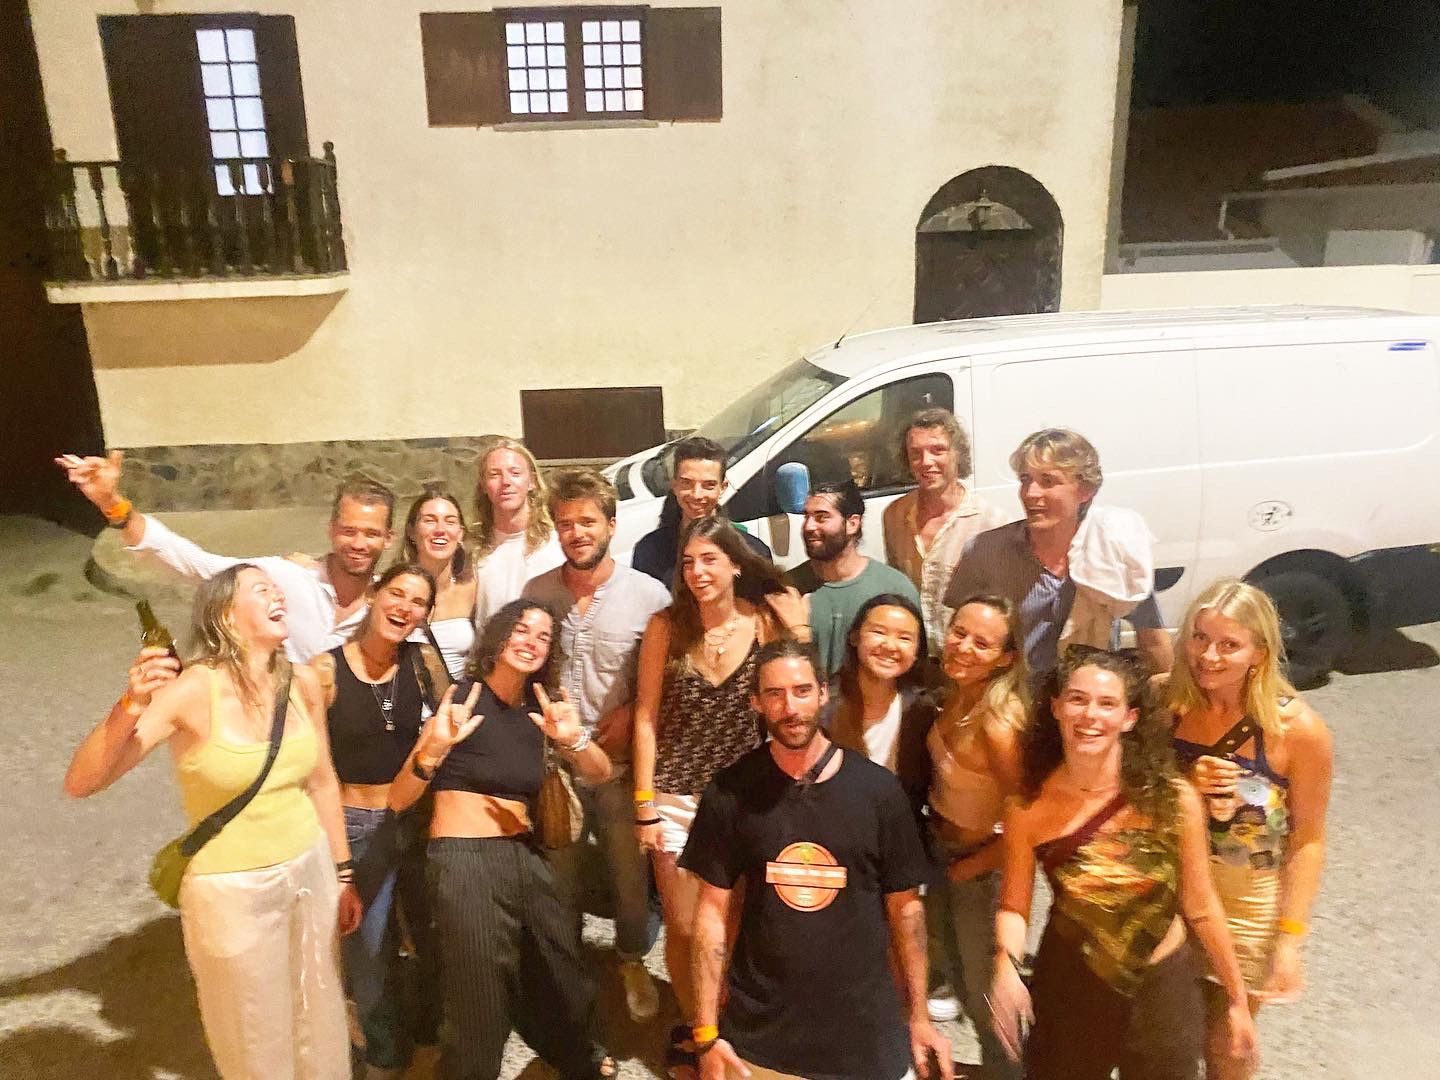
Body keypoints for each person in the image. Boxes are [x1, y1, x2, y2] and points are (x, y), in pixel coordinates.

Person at [64, 564, 362, 1079]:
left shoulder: (302, 681)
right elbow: (83, 781)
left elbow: (322, 782)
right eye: (260, 589)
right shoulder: (193, 691)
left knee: (320, 1018)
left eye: (278, 588)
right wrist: (132, 702)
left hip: (310, 871)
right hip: (233, 892)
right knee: (253, 1038)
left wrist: (342, 873)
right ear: (225, 614)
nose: (278, 595)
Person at [682, 638, 952, 1080]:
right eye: (775, 694)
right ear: (756, 703)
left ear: (823, 692)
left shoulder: (879, 793)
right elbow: (711, 915)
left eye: (802, 690)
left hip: (864, 1037)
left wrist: (919, 1017)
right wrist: (706, 1033)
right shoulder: (730, 792)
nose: (791, 707)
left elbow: (906, 912)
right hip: (760, 1039)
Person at [989, 648, 1257, 1080]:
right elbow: (1014, 906)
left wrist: (1237, 1001)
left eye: (1106, 703)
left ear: (1130, 718)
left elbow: (1202, 906)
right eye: (1076, 699)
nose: (1089, 715)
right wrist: (1006, 966)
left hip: (1162, 987)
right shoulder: (1027, 808)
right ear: (1055, 707)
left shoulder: (1172, 798)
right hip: (1071, 984)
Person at [388, 599, 616, 1080]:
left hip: (525, 856)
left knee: (562, 968)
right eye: (522, 630)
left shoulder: (542, 711)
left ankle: (576, 1055)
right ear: (497, 637)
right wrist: (432, 751)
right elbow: (400, 797)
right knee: (478, 1000)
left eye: (543, 637)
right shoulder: (462, 700)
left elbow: (599, 773)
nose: (531, 641)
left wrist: (572, 740)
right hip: (465, 858)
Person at [631, 516, 807, 1072]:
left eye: (710, 559)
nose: (698, 572)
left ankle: (729, 1024)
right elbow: (645, 717)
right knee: (684, 926)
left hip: (745, 796)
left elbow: (794, 697)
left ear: (735, 563)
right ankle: (696, 1023)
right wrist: (643, 804)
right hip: (677, 796)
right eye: (688, 562)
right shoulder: (666, 626)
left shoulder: (763, 624)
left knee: (734, 922)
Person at [1161, 579, 1333, 1080]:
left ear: (1259, 653)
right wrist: (1185, 784)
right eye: (1199, 638)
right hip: (1167, 891)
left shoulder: (1298, 731)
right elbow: (1129, 793)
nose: (1208, 656)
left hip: (1246, 906)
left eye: (1228, 645)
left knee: (1228, 1048)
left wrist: (1291, 941)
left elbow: (1309, 839)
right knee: (1159, 1040)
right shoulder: (1163, 703)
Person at [522, 468, 672, 1022]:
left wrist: (633, 711)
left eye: (587, 521)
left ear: (611, 525)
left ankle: (631, 957)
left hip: (620, 763)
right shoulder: (537, 594)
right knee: (559, 874)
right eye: (565, 524)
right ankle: (568, 973)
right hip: (555, 766)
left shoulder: (649, 595)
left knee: (629, 877)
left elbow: (667, 677)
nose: (576, 532)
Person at [57, 450, 394, 662]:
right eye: (349, 531)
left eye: (372, 533)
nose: (359, 543)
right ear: (332, 529)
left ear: (389, 539)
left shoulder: (394, 604)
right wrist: (113, 505)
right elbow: (192, 562)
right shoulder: (284, 577)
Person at [311, 562, 444, 1079]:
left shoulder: (420, 661)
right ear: (373, 594)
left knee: (431, 935)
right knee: (366, 953)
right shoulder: (324, 671)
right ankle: (383, 1054)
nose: (404, 607)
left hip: (414, 819)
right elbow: (312, 762)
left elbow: (456, 713)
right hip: (356, 825)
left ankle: (431, 1033)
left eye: (417, 602)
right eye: (396, 593)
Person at [943, 428, 1173, 679]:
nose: (1031, 493)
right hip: (1010, 703)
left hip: (1083, 704)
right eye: (1025, 480)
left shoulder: (1114, 551)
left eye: (1048, 481)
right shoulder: (984, 551)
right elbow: (958, 640)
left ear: (1085, 490)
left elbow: (1153, 642)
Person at [924, 595, 1031, 1080]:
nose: (963, 647)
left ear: (1006, 657)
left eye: (982, 643)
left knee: (990, 993)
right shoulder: (953, 695)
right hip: (943, 853)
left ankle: (1011, 1073)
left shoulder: (999, 722)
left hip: (980, 867)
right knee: (959, 982)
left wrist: (973, 865)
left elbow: (1027, 822)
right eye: (958, 632)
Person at [881, 408, 1006, 657]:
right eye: (915, 453)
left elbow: (1001, 611)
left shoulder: (991, 523)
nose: (926, 462)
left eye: (938, 450)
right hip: (913, 659)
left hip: (966, 661)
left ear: (957, 454)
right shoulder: (895, 515)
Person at [785, 480, 921, 676]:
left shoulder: (894, 588)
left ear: (852, 523)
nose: (808, 526)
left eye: (821, 517)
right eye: (806, 517)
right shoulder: (788, 589)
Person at [827, 592, 934, 824]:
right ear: (855, 637)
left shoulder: (922, 711)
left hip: (900, 834)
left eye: (905, 638)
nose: (890, 645)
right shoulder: (824, 705)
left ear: (917, 652)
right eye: (878, 632)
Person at [631, 435, 772, 590]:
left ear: (722, 488)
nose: (697, 495)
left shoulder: (753, 552)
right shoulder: (649, 552)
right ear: (674, 486)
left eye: (708, 485)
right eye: (687, 483)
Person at [471, 437, 563, 627]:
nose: (505, 482)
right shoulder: (472, 550)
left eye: (515, 473)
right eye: (494, 474)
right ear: (484, 486)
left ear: (532, 482)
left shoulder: (558, 544)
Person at [401, 483, 479, 679]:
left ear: (460, 534)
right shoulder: (392, 590)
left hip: (457, 705)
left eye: (450, 521)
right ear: (411, 532)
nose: (440, 530)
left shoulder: (473, 589)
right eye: (429, 520)